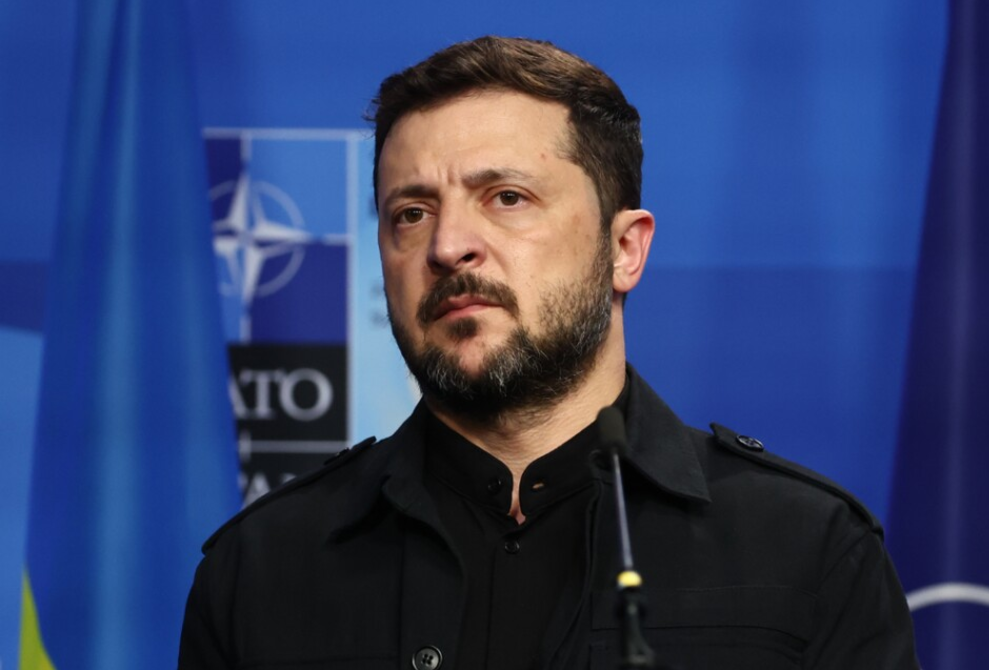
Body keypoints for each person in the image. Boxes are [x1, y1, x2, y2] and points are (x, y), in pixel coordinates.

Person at [179, 36, 919, 670]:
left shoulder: (807, 551)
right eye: (411, 213)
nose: (447, 246)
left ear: (624, 249)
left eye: (506, 197)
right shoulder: (262, 568)